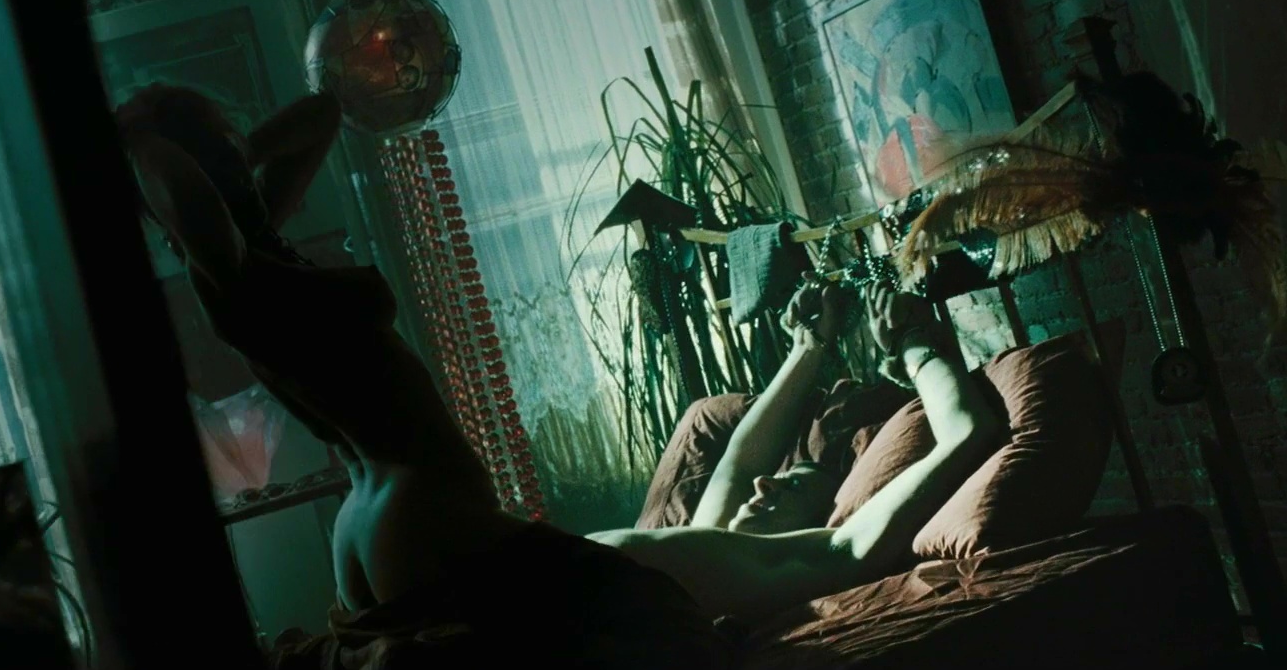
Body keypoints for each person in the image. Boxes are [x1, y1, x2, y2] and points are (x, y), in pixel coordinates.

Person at [118, 84, 1001, 667]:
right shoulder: (235, 267)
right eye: (211, 169)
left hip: (383, 518)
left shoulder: (253, 261)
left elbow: (850, 522)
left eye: (802, 483)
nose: (773, 484)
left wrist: (876, 353)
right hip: (410, 515)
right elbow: (761, 485)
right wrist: (887, 350)